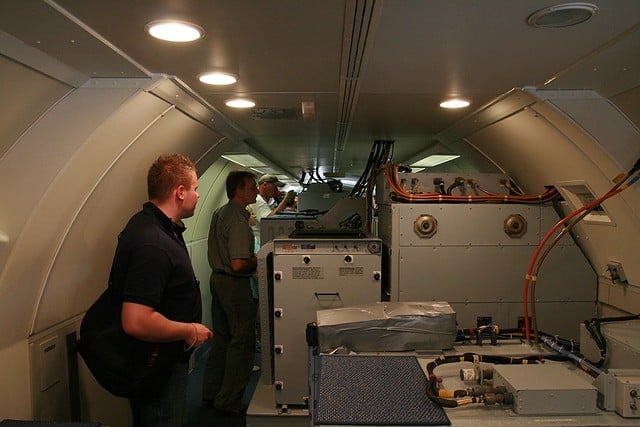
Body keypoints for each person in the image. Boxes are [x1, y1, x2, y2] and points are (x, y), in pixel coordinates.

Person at [110, 154, 213, 427]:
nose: (199, 195)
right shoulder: (152, 243)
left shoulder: (158, 227)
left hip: (162, 361)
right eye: (195, 187)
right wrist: (190, 330)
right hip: (157, 368)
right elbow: (136, 320)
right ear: (180, 192)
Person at [202, 170, 259, 415]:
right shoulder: (237, 220)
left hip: (218, 280)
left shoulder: (220, 213)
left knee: (222, 339)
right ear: (239, 189)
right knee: (242, 342)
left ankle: (211, 392)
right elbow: (238, 264)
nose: (256, 191)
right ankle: (228, 400)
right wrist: (258, 260)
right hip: (234, 285)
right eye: (252, 187)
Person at [249, 174, 296, 248]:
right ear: (265, 185)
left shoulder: (264, 201)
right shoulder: (258, 200)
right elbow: (268, 220)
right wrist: (286, 199)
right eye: (274, 186)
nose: (276, 189)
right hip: (259, 242)